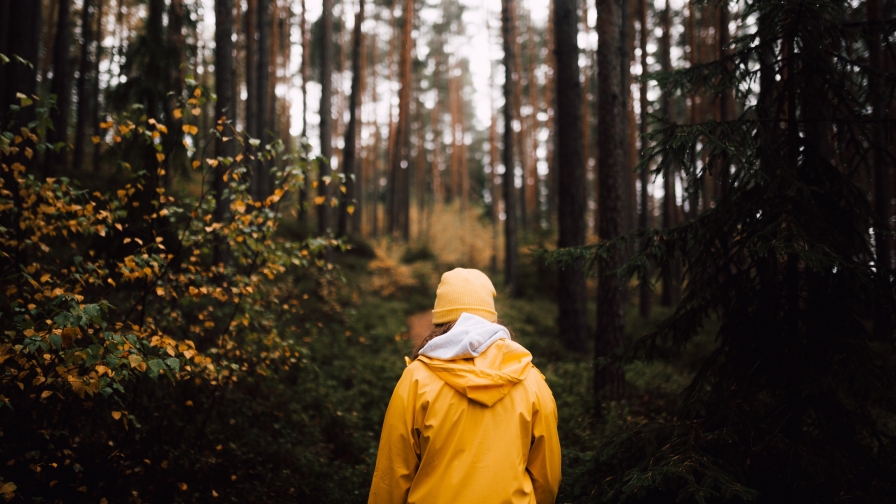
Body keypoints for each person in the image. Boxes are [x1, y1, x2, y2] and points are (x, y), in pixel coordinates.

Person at [368, 268, 561, 504]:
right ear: (491, 318)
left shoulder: (416, 379)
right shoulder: (530, 380)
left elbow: (392, 475)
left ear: (439, 320)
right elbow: (547, 477)